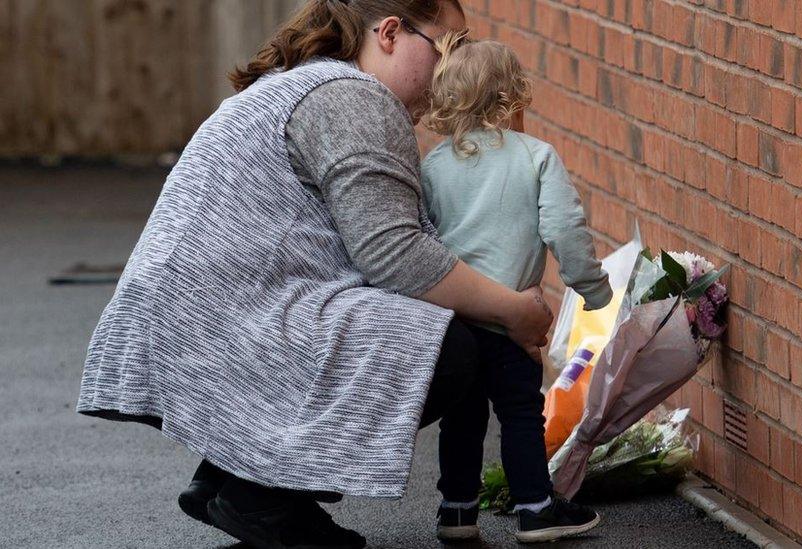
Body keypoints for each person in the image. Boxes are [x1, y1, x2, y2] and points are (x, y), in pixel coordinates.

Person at [74, 1, 552, 548]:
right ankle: (264, 501)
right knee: (448, 348)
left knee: (420, 321)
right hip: (226, 320)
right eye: (449, 45)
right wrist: (515, 312)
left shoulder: (302, 83)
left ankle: (235, 478)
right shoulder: (353, 98)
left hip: (195, 314)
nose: (454, 67)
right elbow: (396, 256)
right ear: (391, 33)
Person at [421, 38, 610, 543]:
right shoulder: (536, 157)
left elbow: (422, 239)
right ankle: (535, 508)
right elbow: (566, 230)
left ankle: (457, 512)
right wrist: (592, 289)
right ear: (513, 98)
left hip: (455, 319)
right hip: (514, 320)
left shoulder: (433, 168)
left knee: (461, 420)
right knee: (520, 415)